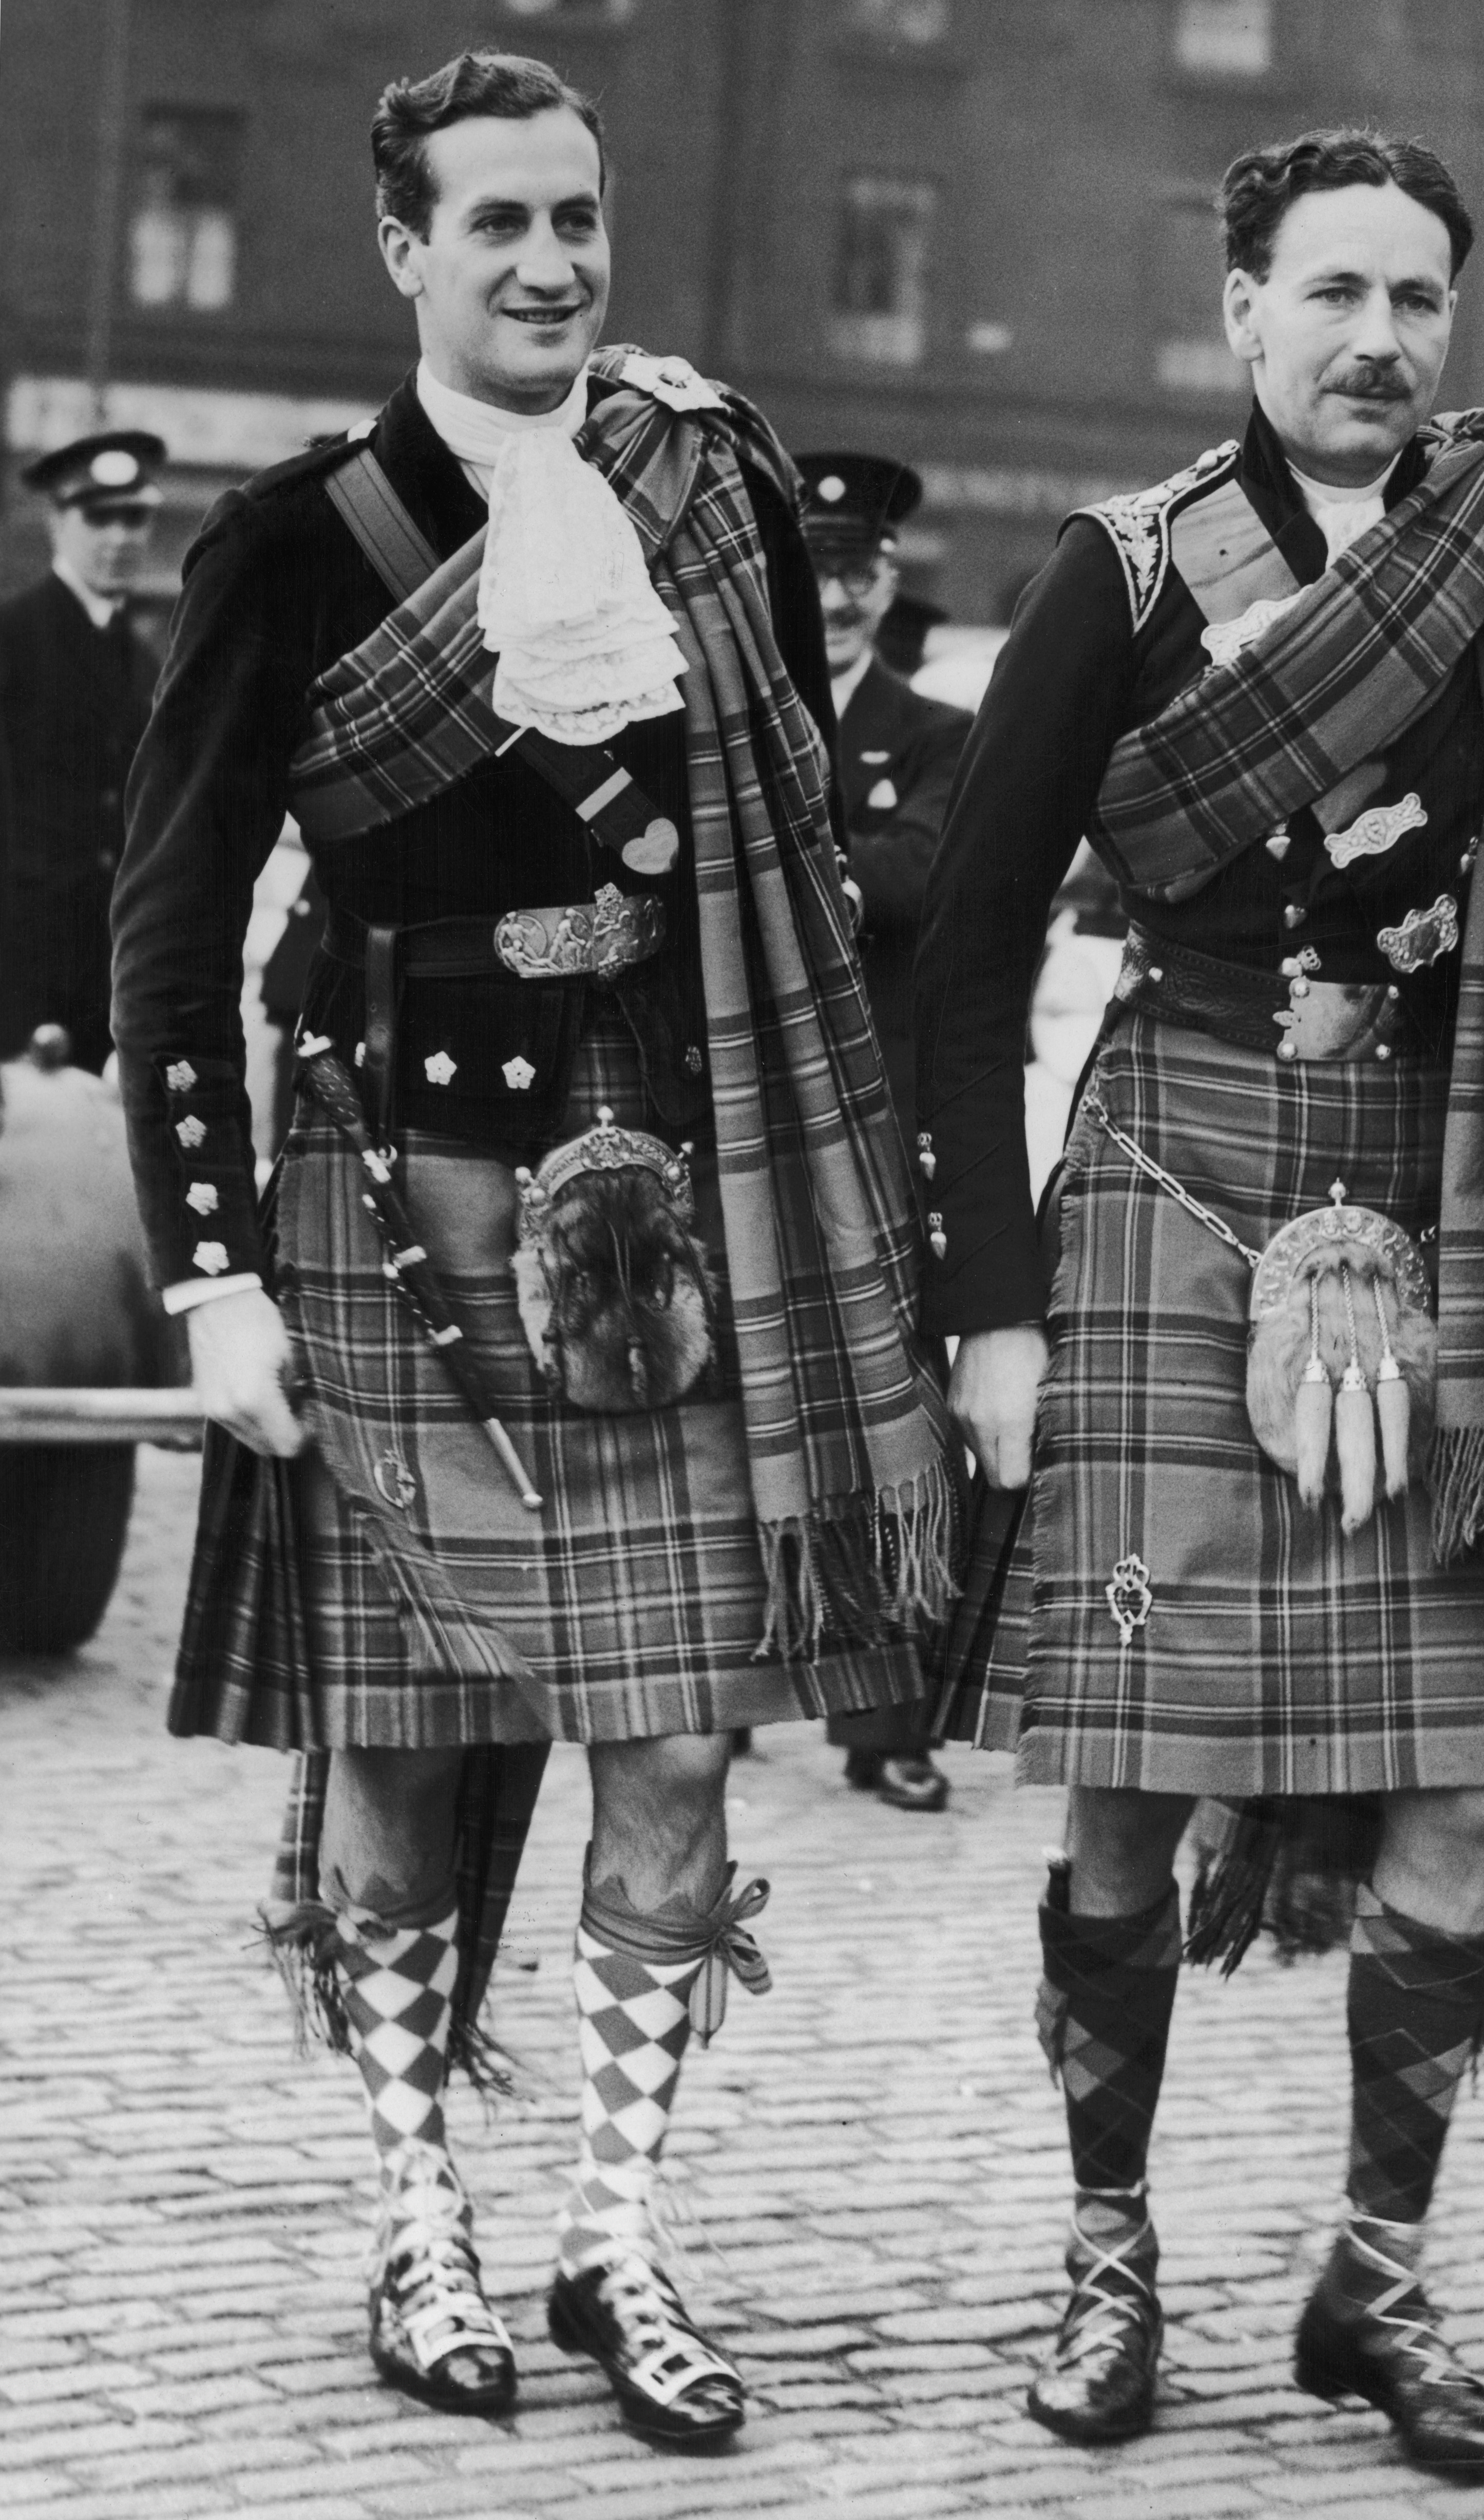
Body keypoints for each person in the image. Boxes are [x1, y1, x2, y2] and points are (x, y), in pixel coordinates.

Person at [111, 50, 952, 2449]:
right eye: (497, 224)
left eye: (576, 219)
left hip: (655, 1203)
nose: (550, 263)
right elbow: (169, 933)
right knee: (398, 1743)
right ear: (405, 248)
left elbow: (781, 862)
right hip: (385, 1191)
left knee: (677, 1740)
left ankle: (613, 2226)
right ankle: (417, 2213)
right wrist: (208, 1272)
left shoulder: (714, 498)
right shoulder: (295, 538)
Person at [915, 129, 1484, 2472]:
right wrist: (991, 1308)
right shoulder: (1129, 572)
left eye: (1414, 298)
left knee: (1466, 1797)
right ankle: (1105, 2251)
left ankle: (1373, 2284)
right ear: (1241, 314)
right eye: (1333, 293)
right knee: (1123, 1811)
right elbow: (967, 966)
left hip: (1452, 1240)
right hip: (1172, 1219)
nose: (1378, 338)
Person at [797, 449, 971, 1815]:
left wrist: (765, 870)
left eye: (857, 574)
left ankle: (887, 1722)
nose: (837, 598)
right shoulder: (724, 722)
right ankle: (728, 1683)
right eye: (814, 574)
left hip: (875, 1120)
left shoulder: (930, 735)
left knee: (889, 1411)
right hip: (740, 1114)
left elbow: (909, 883)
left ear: (887, 580)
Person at [0, 431, 164, 1071]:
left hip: (107, 966)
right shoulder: (13, 637)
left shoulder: (142, 655)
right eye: (99, 517)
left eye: (136, 517)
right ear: (56, 521)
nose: (120, 537)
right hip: (20, 958)